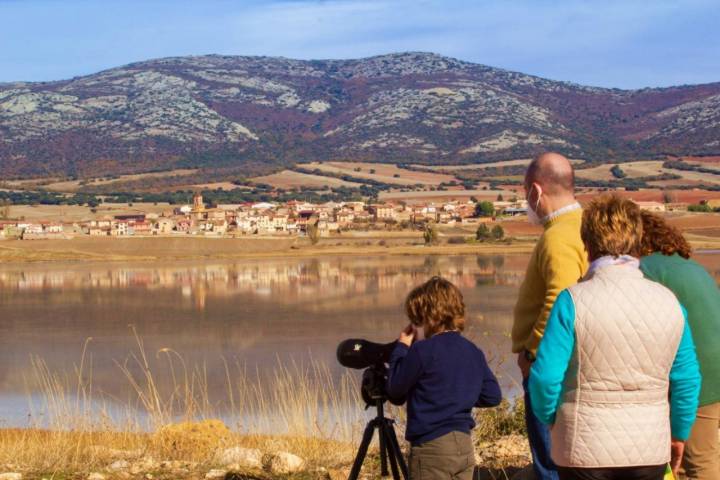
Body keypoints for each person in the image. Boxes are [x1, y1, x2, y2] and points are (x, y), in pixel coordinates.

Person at [529, 194, 701, 480]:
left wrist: (551, 420)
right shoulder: (670, 302)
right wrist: (679, 433)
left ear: (587, 245)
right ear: (637, 242)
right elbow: (687, 378)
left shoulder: (571, 301)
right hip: (649, 449)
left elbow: (545, 377)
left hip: (582, 450)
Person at [512, 152, 588, 480]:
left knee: (550, 462)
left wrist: (533, 353)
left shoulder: (557, 238)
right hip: (574, 364)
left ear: (536, 192)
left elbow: (560, 298)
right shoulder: (583, 226)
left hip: (551, 368)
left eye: (525, 193)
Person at [386, 276, 502, 480]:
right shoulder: (471, 350)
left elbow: (395, 390)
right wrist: (458, 393)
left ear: (429, 316)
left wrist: (402, 348)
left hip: (432, 448)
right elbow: (492, 396)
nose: (416, 326)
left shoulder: (422, 351)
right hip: (464, 446)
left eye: (417, 320)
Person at [639, 211, 720, 480]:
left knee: (696, 462)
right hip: (712, 371)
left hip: (699, 377)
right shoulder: (690, 266)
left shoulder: (647, 270)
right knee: (692, 461)